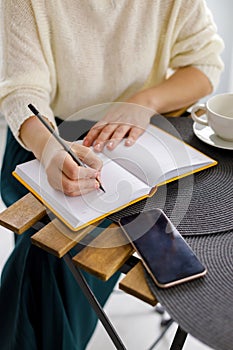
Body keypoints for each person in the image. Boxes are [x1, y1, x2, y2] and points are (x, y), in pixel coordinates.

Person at [0, 0, 224, 349]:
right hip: (46, 136)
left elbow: (205, 64)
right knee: (49, 254)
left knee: (46, 260)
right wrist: (50, 150)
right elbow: (21, 93)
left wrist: (143, 102)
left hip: (138, 133)